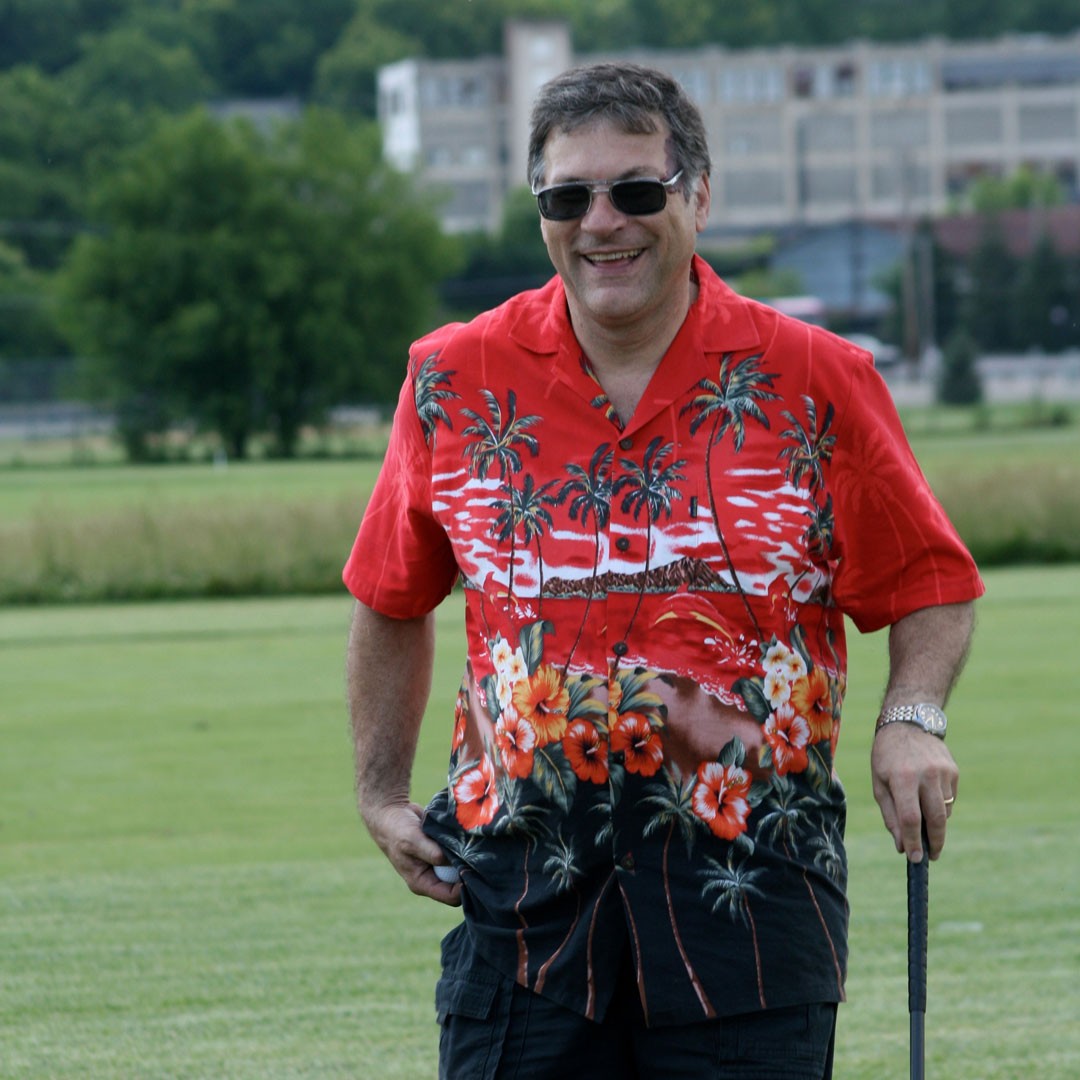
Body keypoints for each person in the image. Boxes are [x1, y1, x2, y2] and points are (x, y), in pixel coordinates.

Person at [343, 62, 983, 1080]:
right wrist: (381, 792)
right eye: (567, 197)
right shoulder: (450, 380)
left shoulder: (817, 379)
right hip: (522, 921)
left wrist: (912, 719)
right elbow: (389, 595)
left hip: (755, 913)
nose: (602, 222)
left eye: (637, 189)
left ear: (699, 196)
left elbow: (929, 583)